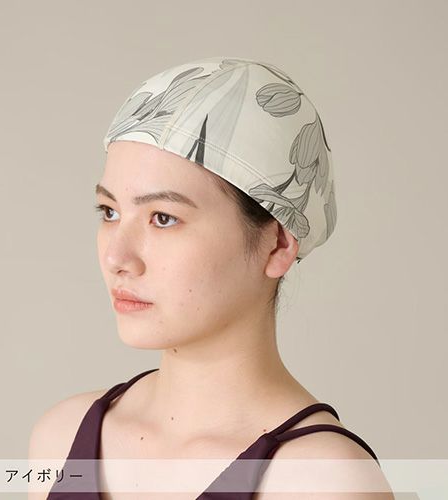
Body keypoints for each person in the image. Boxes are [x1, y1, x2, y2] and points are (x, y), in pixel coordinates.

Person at [29, 56, 395, 499]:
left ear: (278, 244)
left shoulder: (324, 483)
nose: (116, 257)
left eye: (163, 218)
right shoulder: (61, 438)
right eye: (109, 212)